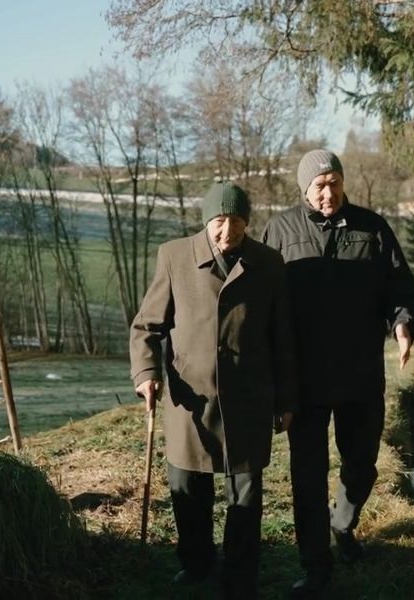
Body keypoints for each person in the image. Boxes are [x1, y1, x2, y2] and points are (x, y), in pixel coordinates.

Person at [261, 149, 414, 598]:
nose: (328, 192)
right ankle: (316, 567)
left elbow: (399, 285)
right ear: (304, 189)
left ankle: (342, 524)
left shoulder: (373, 227)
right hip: (304, 379)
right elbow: (264, 300)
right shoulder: (280, 229)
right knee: (307, 475)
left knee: (362, 464)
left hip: (359, 373)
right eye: (319, 185)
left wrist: (403, 323)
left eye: (334, 182)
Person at [130, 181, 296, 599]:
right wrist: (147, 372)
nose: (227, 233)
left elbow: (283, 338)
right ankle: (196, 562)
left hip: (248, 398)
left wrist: (286, 399)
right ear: (206, 221)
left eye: (237, 222)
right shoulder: (174, 256)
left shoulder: (270, 262)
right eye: (219, 223)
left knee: (246, 493)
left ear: (247, 222)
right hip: (190, 398)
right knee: (188, 489)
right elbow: (147, 327)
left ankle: (240, 575)